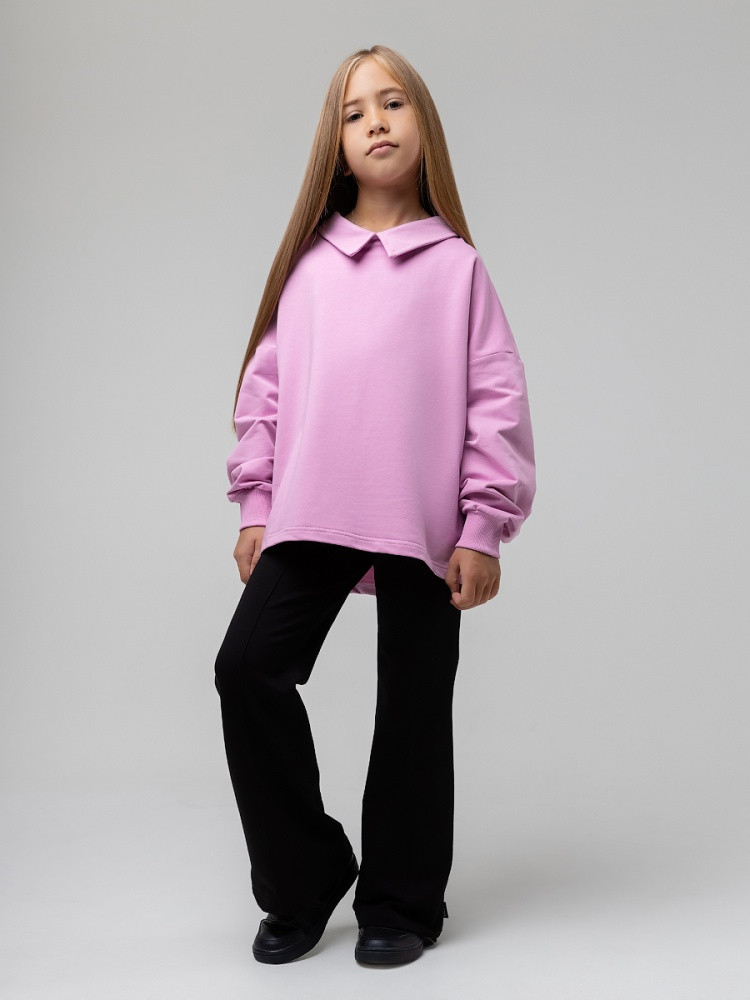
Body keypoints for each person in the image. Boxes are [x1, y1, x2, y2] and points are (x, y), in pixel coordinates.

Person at [214, 44, 536, 968]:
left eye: (393, 104)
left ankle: (402, 900)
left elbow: (496, 398)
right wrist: (256, 502)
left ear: (423, 125)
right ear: (337, 144)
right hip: (311, 508)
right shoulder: (309, 267)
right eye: (355, 113)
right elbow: (266, 392)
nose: (377, 122)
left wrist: (482, 525)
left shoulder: (457, 268)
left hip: (425, 521)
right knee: (247, 669)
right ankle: (304, 876)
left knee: (413, 708)